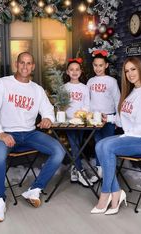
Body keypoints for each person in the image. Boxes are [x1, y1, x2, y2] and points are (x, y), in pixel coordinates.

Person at [0, 52, 65, 222]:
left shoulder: (37, 90)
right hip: (6, 133)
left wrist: (48, 119)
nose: (25, 66)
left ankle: (35, 189)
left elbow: (48, 110)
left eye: (29, 63)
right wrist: (1, 133)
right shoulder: (2, 84)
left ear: (33, 66)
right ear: (16, 64)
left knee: (59, 151)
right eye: (22, 63)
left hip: (29, 133)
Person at [90, 57, 141, 215]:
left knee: (106, 145)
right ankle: (116, 192)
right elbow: (122, 120)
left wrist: (123, 137)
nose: (130, 74)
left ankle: (105, 194)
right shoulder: (131, 93)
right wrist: (107, 118)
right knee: (100, 144)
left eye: (133, 69)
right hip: (133, 137)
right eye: (127, 71)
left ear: (140, 69)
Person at [86, 50, 121, 181]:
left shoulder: (111, 81)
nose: (98, 68)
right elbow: (88, 100)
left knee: (108, 145)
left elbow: (117, 99)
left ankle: (109, 172)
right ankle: (99, 170)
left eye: (101, 65)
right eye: (95, 65)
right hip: (94, 118)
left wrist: (117, 118)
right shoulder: (90, 81)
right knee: (97, 144)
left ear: (106, 65)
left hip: (109, 116)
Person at [63, 58, 93, 187]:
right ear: (67, 72)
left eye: (77, 69)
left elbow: (87, 104)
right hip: (68, 122)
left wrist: (82, 113)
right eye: (71, 70)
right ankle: (80, 172)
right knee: (75, 145)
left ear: (81, 72)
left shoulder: (84, 88)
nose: (74, 72)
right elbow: (60, 105)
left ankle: (74, 171)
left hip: (81, 121)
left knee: (78, 146)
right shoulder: (63, 88)